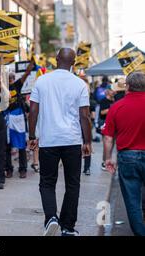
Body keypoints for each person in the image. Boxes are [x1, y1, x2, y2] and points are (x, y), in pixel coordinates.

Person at [29, 48, 92, 236]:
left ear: (56, 59)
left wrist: (32, 136)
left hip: (49, 140)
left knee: (47, 182)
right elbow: (85, 116)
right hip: (72, 140)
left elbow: (33, 111)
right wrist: (87, 141)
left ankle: (51, 218)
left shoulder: (42, 80)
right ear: (74, 63)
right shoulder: (80, 84)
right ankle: (68, 227)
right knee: (73, 184)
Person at [102, 71, 145, 236]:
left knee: (132, 201)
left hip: (128, 157)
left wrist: (108, 159)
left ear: (127, 87)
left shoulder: (116, 107)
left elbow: (108, 138)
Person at [6, 59, 35, 179]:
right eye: (9, 77)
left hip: (18, 118)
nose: (11, 79)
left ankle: (23, 169)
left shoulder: (16, 86)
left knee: (21, 145)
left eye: (12, 77)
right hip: (8, 118)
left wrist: (30, 67)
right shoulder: (1, 88)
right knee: (7, 145)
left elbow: (25, 75)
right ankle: (8, 169)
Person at [99, 87, 116, 170]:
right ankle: (104, 162)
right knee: (106, 144)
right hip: (105, 124)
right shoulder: (104, 100)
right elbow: (102, 112)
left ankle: (108, 160)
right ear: (108, 91)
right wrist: (112, 109)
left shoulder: (115, 100)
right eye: (112, 90)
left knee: (112, 144)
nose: (114, 92)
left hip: (114, 124)